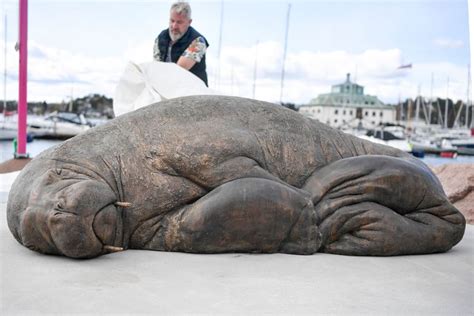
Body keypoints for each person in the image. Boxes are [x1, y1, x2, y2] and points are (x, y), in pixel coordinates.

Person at [153, 1, 209, 86]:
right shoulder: (160, 38)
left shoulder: (198, 42)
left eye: (179, 22)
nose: (174, 26)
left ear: (189, 22)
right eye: (172, 21)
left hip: (195, 91)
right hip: (167, 87)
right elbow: (156, 68)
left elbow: (179, 71)